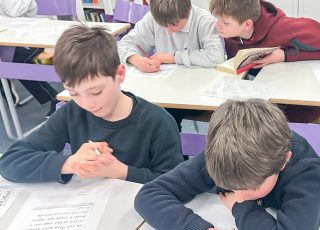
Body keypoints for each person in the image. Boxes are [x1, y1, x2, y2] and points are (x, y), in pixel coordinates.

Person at [0, 25, 184, 184]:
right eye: (73, 93)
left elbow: (176, 183)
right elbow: (10, 162)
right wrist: (69, 163)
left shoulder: (157, 121)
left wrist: (121, 172)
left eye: (96, 92)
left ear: (119, 74)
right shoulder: (72, 112)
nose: (88, 104)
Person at [134, 99, 320, 230]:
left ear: (284, 161)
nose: (240, 195)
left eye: (252, 186)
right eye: (233, 186)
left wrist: (240, 208)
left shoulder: (305, 170)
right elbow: (149, 195)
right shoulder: (224, 154)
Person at [209, 0, 320, 123]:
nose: (217, 25)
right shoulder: (231, 33)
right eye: (217, 18)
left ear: (247, 24)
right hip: (266, 96)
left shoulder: (282, 28)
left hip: (300, 100)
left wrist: (284, 55)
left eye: (225, 22)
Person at [117, 0, 225, 73]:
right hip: (164, 87)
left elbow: (216, 56)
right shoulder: (153, 17)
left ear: (189, 9)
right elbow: (124, 43)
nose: (169, 31)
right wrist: (135, 59)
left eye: (175, 24)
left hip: (198, 87)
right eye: (163, 25)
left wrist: (173, 58)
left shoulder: (205, 20)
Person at [0, 0, 60, 117]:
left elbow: (14, 10)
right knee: (18, 62)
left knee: (21, 62)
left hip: (34, 31)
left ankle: (56, 97)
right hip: (11, 33)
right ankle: (5, 78)